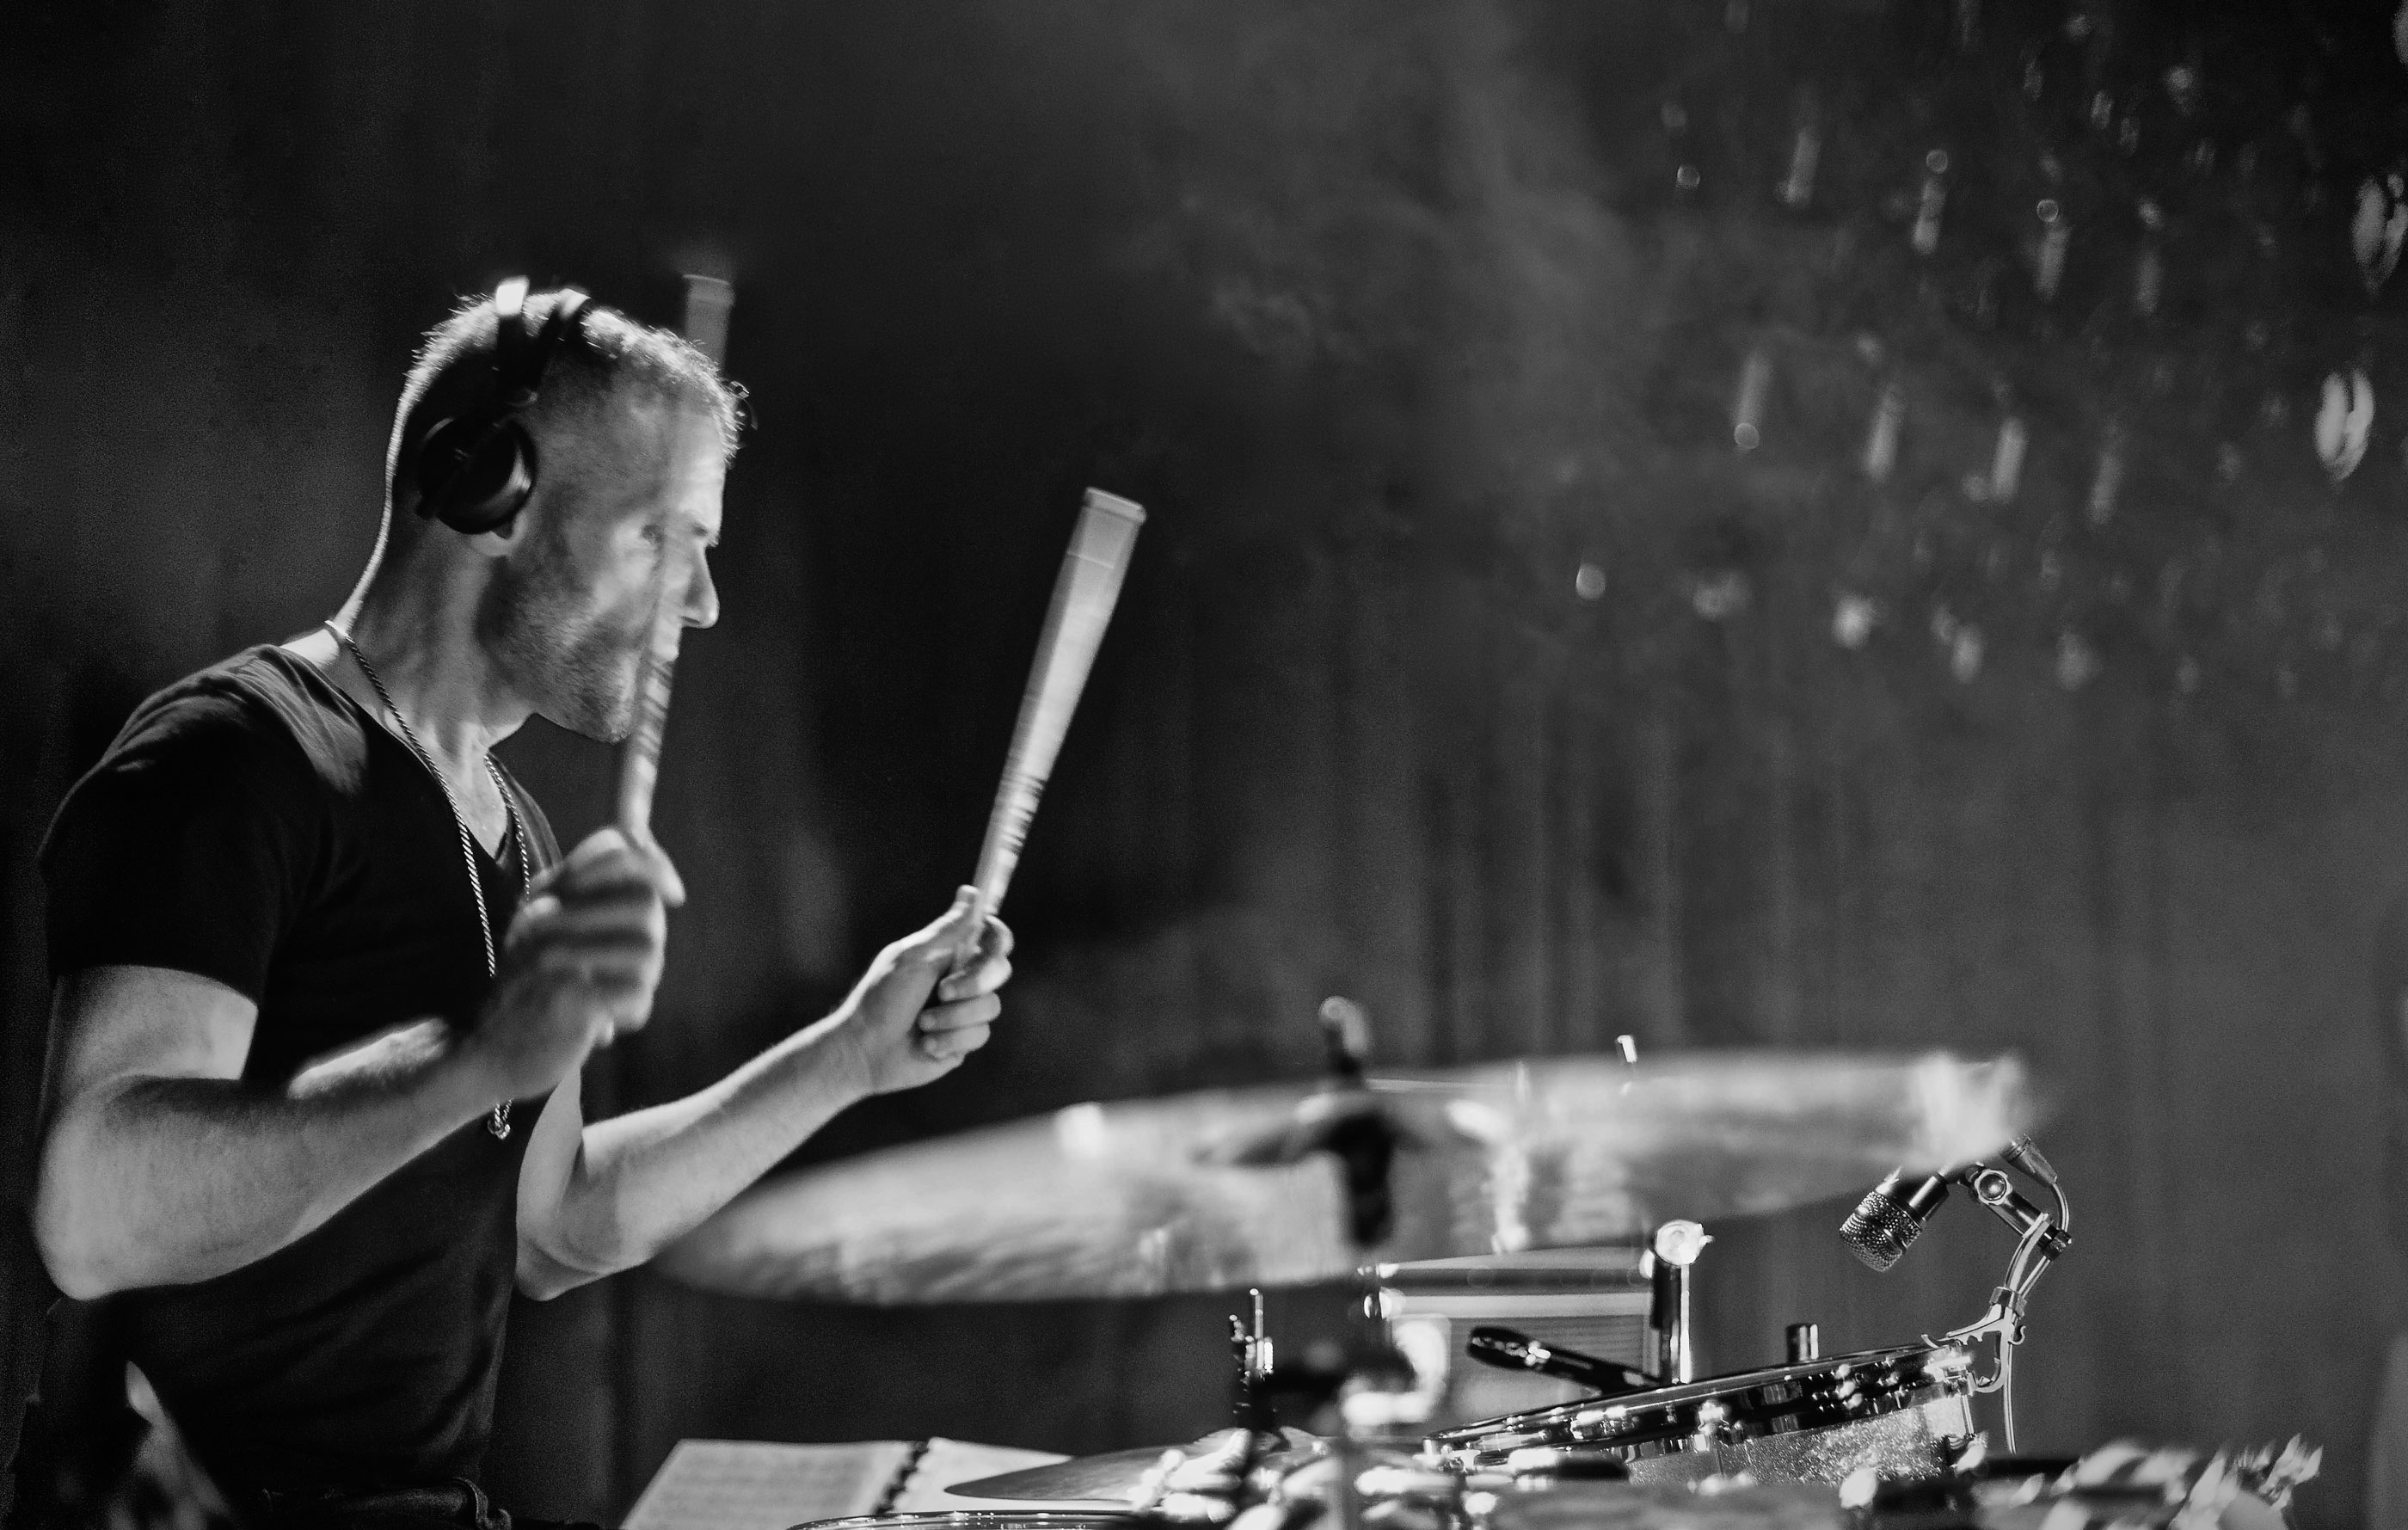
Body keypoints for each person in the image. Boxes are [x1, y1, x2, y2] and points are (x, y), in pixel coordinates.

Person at [21, 281, 1011, 1529]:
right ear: (488, 493)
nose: (702, 601)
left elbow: (552, 1228)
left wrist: (851, 1055)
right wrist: (475, 1053)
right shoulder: (231, 761)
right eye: (663, 538)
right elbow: (92, 1219)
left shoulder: (516, 834)